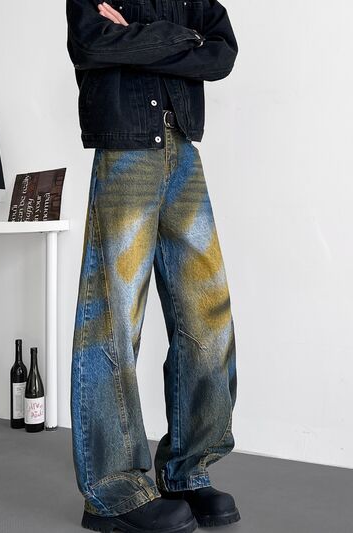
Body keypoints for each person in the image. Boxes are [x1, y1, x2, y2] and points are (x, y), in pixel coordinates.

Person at [66, 0, 239, 530]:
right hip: (126, 151)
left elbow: (222, 54)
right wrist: (185, 39)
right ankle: (113, 492)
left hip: (182, 150)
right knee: (114, 322)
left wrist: (140, 37)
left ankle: (186, 470)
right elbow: (90, 42)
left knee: (208, 319)